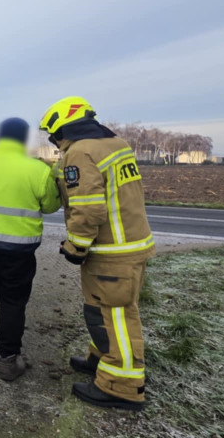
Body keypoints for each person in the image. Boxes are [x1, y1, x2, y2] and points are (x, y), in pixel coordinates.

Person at [40, 96, 154, 411]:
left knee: (114, 315)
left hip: (111, 252)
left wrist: (75, 246)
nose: (56, 143)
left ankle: (121, 386)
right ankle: (102, 359)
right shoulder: (116, 144)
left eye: (55, 135)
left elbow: (87, 208)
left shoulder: (79, 152)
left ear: (64, 127)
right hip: (131, 244)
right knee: (108, 310)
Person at [0, 118, 61, 381]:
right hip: (18, 253)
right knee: (12, 303)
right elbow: (50, 206)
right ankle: (7, 360)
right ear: (23, 140)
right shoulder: (37, 170)